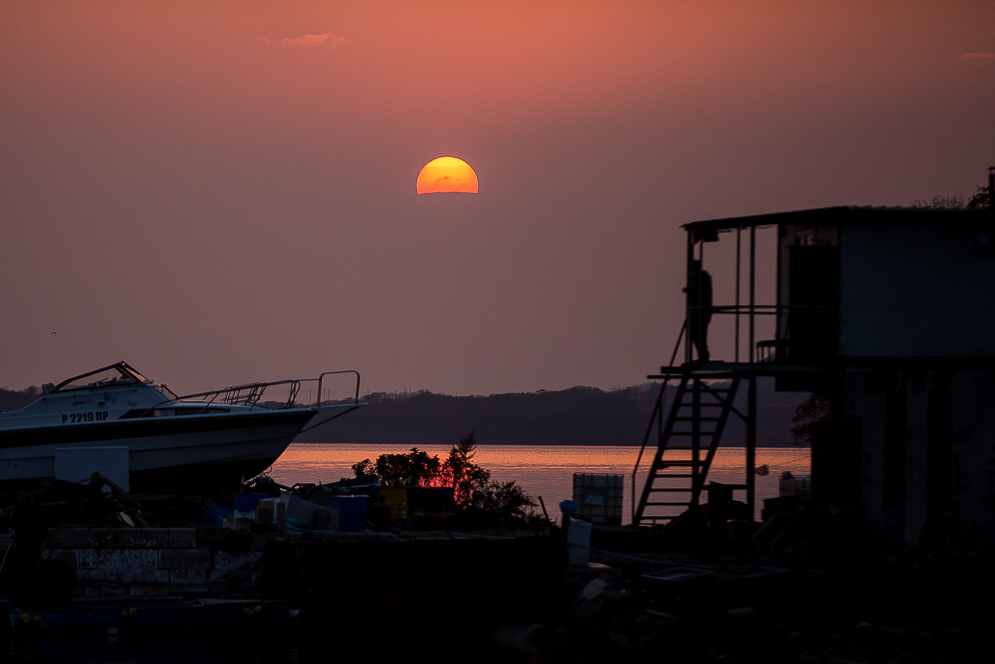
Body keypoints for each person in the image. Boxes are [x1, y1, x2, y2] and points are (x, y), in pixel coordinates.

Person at [685, 259, 713, 362]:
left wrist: (690, 291)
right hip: (697, 312)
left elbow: (701, 292)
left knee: (700, 334)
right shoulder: (697, 278)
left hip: (702, 311)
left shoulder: (703, 278)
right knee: (695, 334)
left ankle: (704, 356)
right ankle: (703, 355)